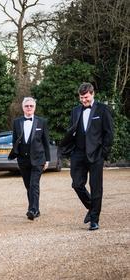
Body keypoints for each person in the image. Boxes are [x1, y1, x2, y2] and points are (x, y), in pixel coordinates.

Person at [60, 83, 113, 230]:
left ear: (93, 94)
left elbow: (109, 133)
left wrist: (103, 153)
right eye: (82, 98)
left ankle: (94, 219)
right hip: (78, 153)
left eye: (86, 97)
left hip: (96, 154)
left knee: (96, 188)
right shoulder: (75, 111)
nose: (84, 100)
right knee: (76, 184)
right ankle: (91, 207)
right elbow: (72, 131)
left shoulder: (103, 109)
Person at [8, 97, 51, 220]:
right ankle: (35, 209)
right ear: (23, 108)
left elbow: (45, 142)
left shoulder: (42, 122)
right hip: (23, 160)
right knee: (28, 185)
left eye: (31, 106)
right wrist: (16, 154)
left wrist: (47, 160)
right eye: (27, 106)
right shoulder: (17, 122)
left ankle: (32, 209)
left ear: (34, 108)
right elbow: (15, 140)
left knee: (34, 184)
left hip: (38, 159)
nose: (29, 108)